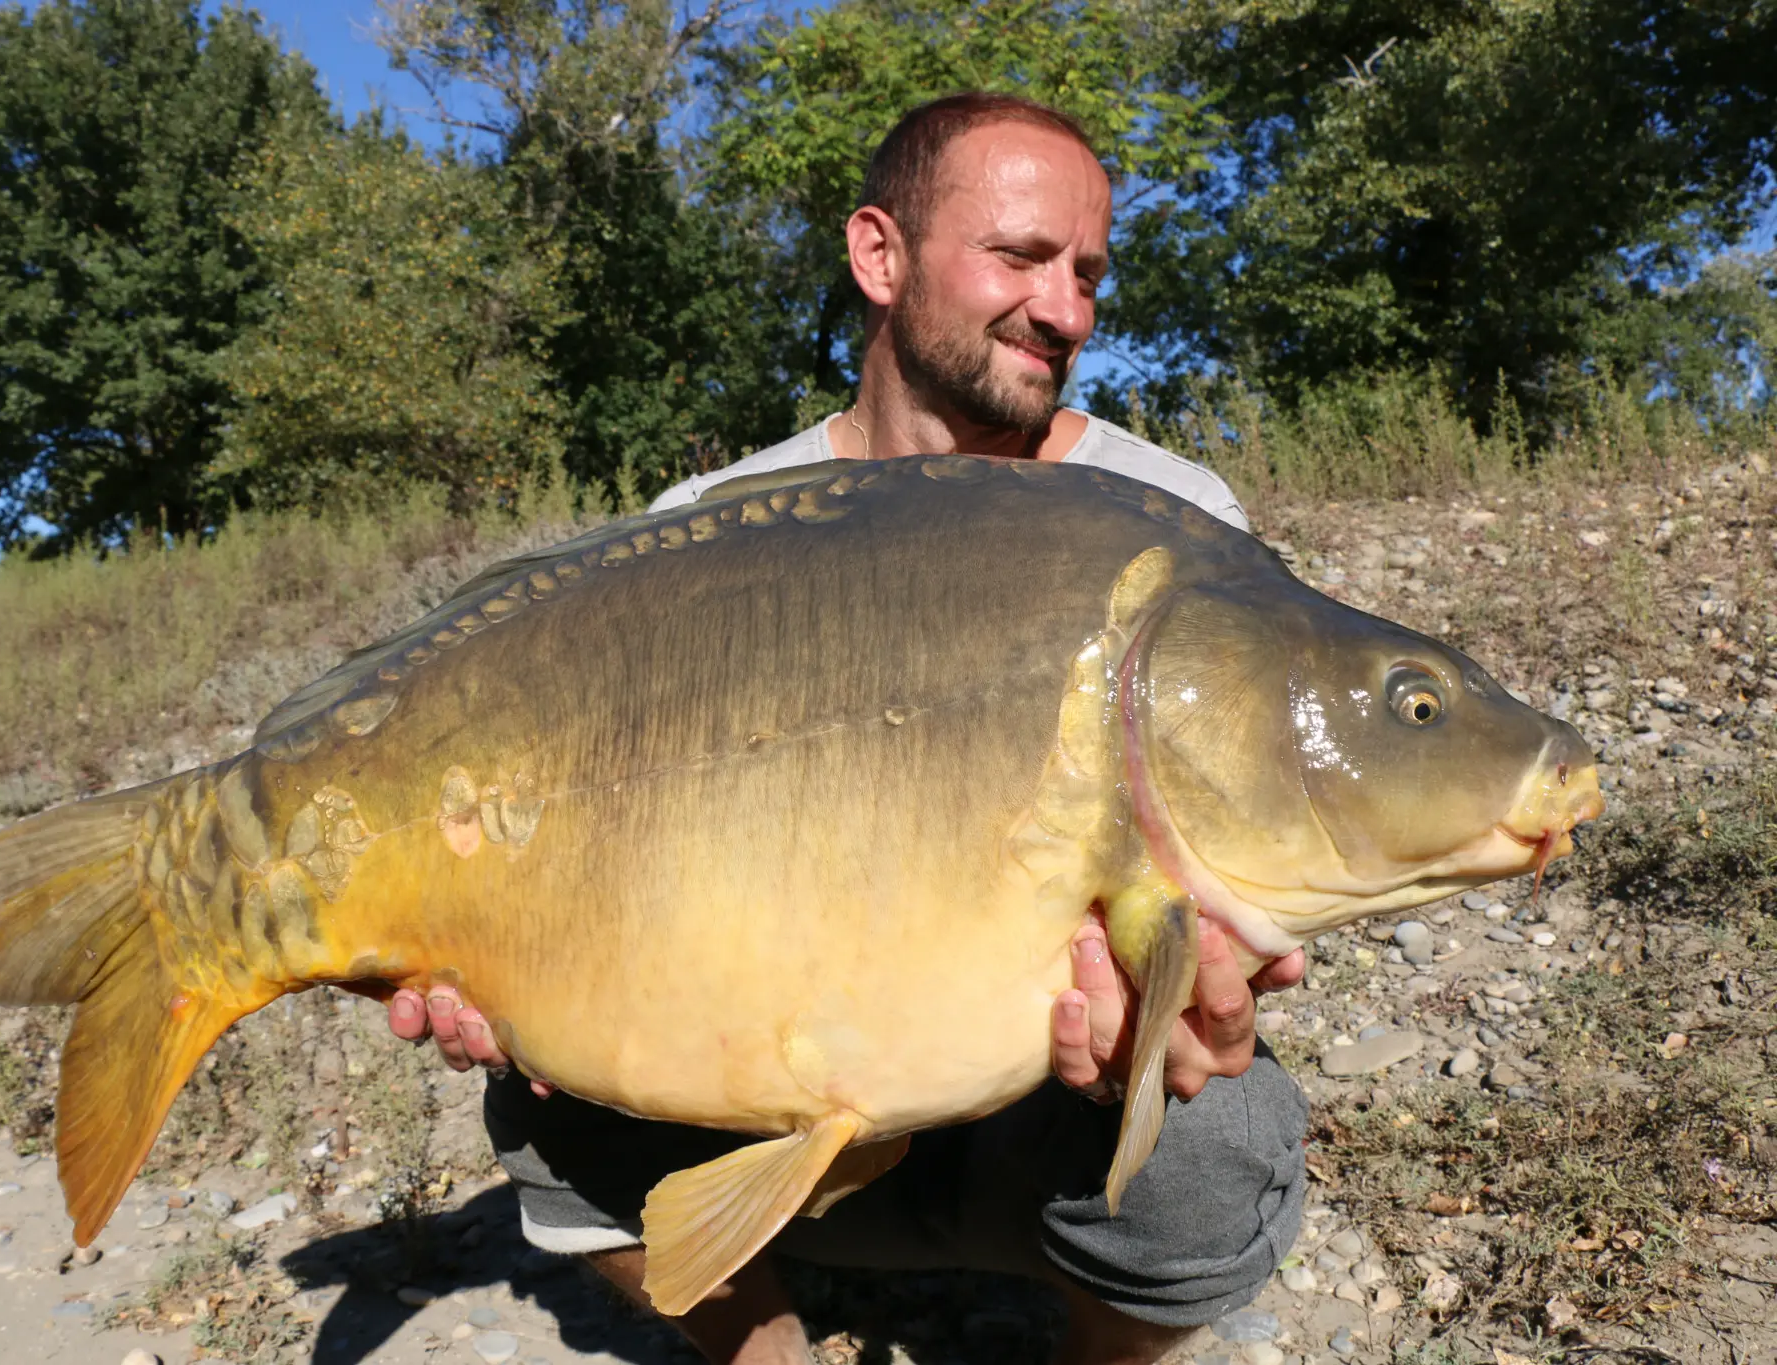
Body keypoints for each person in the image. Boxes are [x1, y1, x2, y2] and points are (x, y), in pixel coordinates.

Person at [386, 93, 1309, 1365]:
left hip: (1045, 1123)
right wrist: (499, 967)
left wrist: (1194, 1001)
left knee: (1217, 1139)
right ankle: (763, 1349)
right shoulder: (715, 523)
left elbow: (1248, 876)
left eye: (1088, 271)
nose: (1068, 310)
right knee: (541, 1107)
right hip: (753, 1107)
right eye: (1020, 258)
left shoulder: (1162, 514)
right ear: (878, 256)